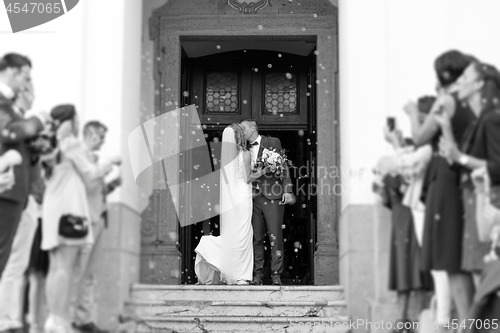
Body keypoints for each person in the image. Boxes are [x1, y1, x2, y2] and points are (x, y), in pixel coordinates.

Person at [404, 50, 476, 328]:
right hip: (462, 176)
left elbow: (421, 137)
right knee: (460, 255)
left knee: (447, 258)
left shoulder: (446, 100)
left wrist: (413, 114)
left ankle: (465, 322)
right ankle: (469, 321)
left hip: (445, 178)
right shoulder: (471, 101)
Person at [41, 105, 119, 333]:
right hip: (70, 214)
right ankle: (61, 320)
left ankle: (55, 319)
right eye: (75, 120)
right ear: (72, 122)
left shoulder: (52, 143)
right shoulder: (72, 144)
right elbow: (90, 175)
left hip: (54, 210)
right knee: (65, 269)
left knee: (58, 269)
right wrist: (110, 162)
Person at [0, 53, 48, 279]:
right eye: (25, 78)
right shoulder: (3, 103)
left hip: (15, 189)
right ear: (12, 71)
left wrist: (40, 145)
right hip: (6, 188)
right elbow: (8, 132)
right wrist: (38, 120)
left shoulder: (7, 105)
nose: (25, 85)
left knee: (6, 255)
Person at [0, 81, 41, 333]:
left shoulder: (22, 124)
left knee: (19, 262)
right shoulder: (9, 118)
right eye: (31, 91)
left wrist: (38, 152)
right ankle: (4, 317)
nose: (34, 96)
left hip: (27, 198)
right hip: (11, 194)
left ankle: (11, 316)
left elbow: (32, 162)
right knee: (10, 259)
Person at [72, 121, 120, 333]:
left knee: (89, 272)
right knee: (79, 270)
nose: (103, 141)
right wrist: (109, 162)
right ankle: (73, 317)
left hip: (98, 218)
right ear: (90, 134)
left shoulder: (92, 159)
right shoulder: (77, 155)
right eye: (100, 136)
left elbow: (94, 191)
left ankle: (84, 319)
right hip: (84, 221)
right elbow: (87, 181)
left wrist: (111, 185)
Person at [194, 123, 254, 285]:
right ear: (241, 136)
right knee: (243, 234)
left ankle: (231, 270)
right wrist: (264, 170)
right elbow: (248, 178)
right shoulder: (246, 154)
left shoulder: (226, 157)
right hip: (242, 196)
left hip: (231, 198)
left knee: (233, 235)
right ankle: (242, 274)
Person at [239, 119, 293, 286]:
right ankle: (258, 275)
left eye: (243, 128)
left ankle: (276, 274)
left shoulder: (273, 143)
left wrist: (288, 190)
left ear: (253, 128)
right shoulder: (242, 148)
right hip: (252, 198)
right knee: (256, 238)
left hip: (273, 196)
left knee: (275, 237)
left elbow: (283, 166)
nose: (241, 131)